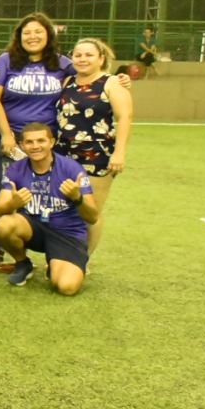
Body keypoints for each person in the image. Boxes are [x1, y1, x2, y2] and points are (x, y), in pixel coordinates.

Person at [0, 12, 72, 270]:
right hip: (11, 139)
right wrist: (8, 134)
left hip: (47, 142)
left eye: (38, 32)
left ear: (49, 36)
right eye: (27, 33)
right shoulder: (6, 61)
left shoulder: (63, 64)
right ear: (18, 37)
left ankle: (51, 248)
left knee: (49, 192)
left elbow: (92, 78)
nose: (32, 37)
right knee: (5, 192)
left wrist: (119, 79)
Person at [0, 122, 97, 295]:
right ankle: (22, 263)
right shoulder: (15, 169)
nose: (35, 146)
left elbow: (93, 217)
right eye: (29, 142)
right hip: (34, 227)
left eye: (41, 141)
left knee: (67, 287)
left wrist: (77, 198)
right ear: (21, 145)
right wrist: (14, 203)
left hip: (67, 233)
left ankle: (57, 261)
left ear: (52, 142)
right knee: (4, 224)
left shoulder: (71, 168)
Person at [56, 38, 133, 255]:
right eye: (78, 55)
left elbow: (125, 117)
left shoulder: (112, 83)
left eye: (89, 55)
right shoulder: (67, 81)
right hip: (64, 154)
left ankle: (83, 259)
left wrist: (119, 153)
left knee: (91, 211)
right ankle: (63, 254)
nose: (83, 59)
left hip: (97, 156)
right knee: (65, 207)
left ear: (101, 59)